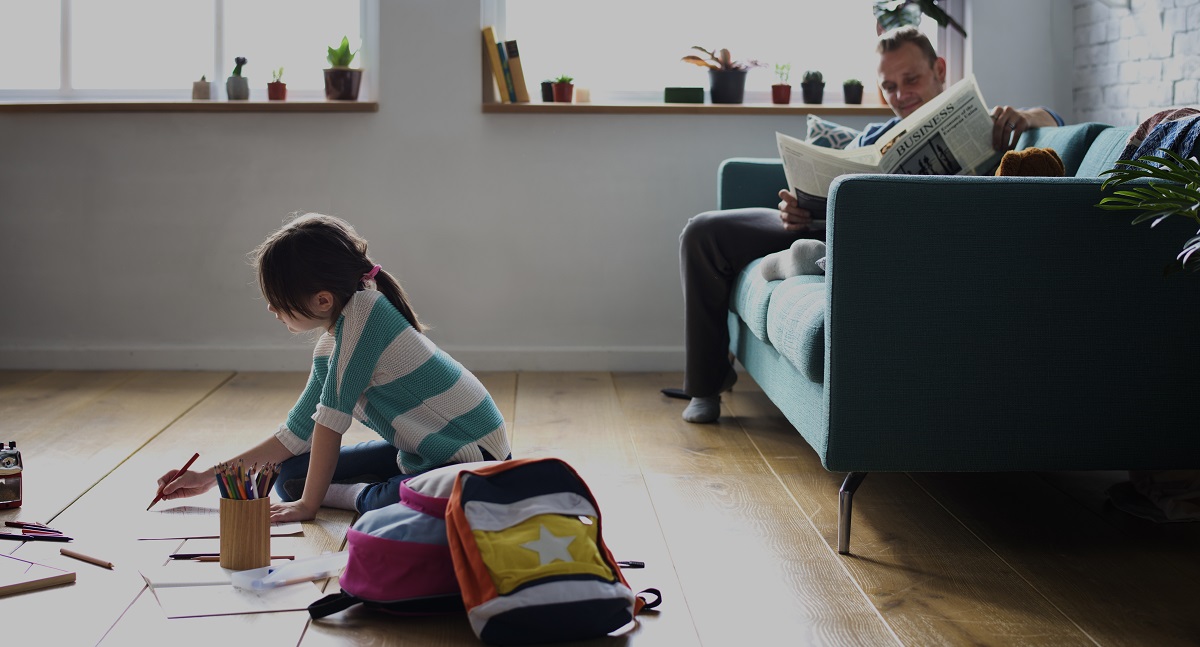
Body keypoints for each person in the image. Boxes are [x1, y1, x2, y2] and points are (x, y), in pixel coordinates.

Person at [671, 26, 1064, 424]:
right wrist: (798, 210)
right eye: (889, 86)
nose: (900, 94)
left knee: (852, 242)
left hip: (898, 242)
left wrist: (1030, 115)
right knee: (704, 233)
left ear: (940, 69)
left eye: (911, 79)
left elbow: (1055, 125)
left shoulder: (992, 128)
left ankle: (814, 260)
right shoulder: (877, 135)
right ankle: (706, 385)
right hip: (823, 226)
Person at [154, 213, 511, 522]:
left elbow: (330, 421)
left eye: (276, 300)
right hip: (427, 450)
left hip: (473, 459)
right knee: (287, 475)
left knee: (386, 499)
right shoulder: (333, 343)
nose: (270, 310)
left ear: (322, 300)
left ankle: (358, 495)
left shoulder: (366, 315)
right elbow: (294, 434)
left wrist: (309, 504)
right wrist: (205, 478)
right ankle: (370, 487)